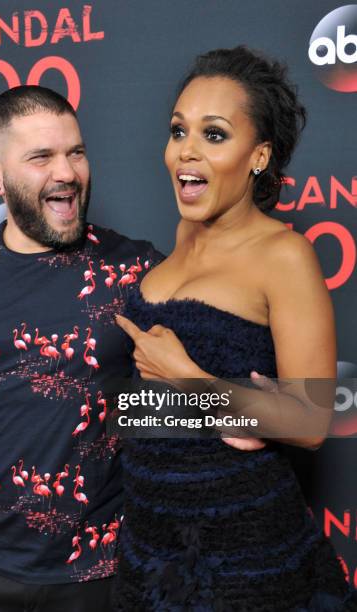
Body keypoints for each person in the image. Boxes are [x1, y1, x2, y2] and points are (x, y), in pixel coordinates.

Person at [0, 85, 164, 612]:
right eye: (41, 157)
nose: (66, 172)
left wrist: (270, 409)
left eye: (76, 152)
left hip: (109, 578)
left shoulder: (137, 271)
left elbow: (205, 403)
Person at [115, 47, 357, 610]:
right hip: (152, 545)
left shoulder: (284, 254)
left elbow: (310, 418)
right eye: (178, 130)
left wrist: (192, 380)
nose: (186, 151)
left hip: (242, 555)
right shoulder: (179, 238)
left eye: (215, 135)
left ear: (259, 156)